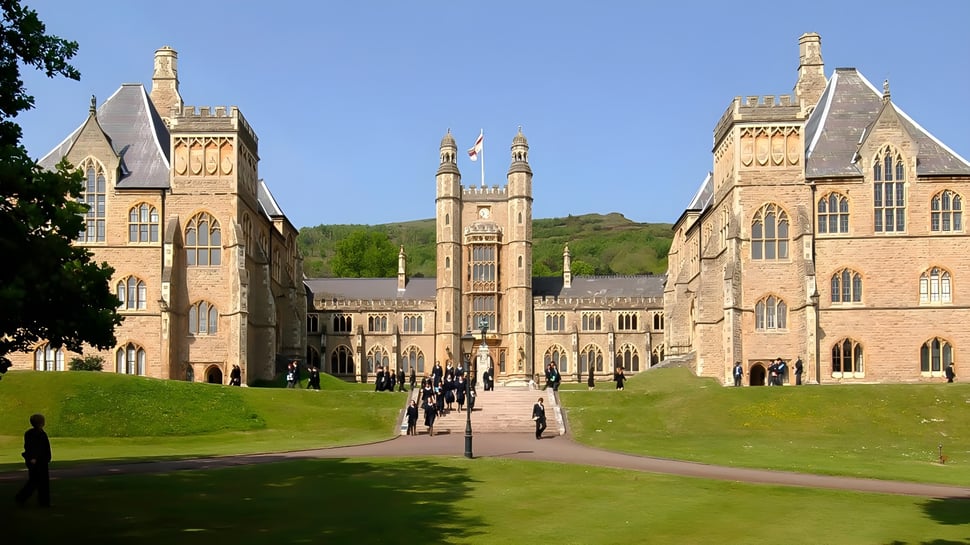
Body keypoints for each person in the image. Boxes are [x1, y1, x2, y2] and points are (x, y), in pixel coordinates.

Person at [14, 413, 51, 508]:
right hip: (39, 461)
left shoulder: (30, 433)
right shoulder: (39, 434)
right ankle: (43, 502)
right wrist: (34, 458)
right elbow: (36, 448)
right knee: (41, 482)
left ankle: (22, 497)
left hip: (37, 460)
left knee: (34, 481)